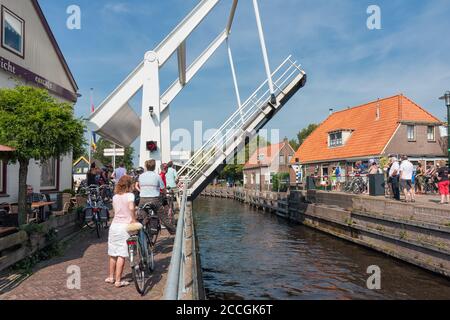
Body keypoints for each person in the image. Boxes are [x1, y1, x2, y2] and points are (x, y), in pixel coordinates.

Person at [106, 175, 137, 288]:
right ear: (129, 185)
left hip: (114, 226)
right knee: (122, 254)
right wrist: (133, 219)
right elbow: (131, 208)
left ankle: (111, 277)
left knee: (113, 253)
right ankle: (118, 281)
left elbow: (115, 211)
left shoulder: (115, 197)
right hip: (124, 227)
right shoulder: (130, 195)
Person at [136, 160, 176, 234]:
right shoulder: (157, 176)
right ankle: (173, 231)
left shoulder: (141, 176)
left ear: (146, 167)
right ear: (154, 167)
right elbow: (163, 189)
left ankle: (140, 232)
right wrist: (164, 193)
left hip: (143, 199)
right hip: (154, 199)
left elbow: (140, 186)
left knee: (141, 216)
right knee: (163, 217)